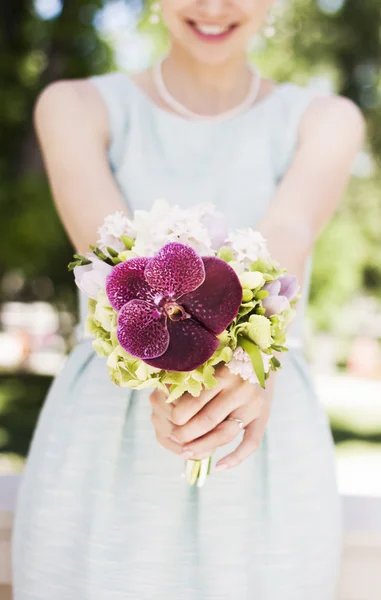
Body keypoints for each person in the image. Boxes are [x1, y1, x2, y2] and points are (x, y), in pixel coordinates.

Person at [12, 0, 365, 598]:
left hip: (260, 413)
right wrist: (172, 382)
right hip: (107, 431)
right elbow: (119, 269)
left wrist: (241, 372)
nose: (213, 6)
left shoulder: (325, 119)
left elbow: (287, 239)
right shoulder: (75, 107)